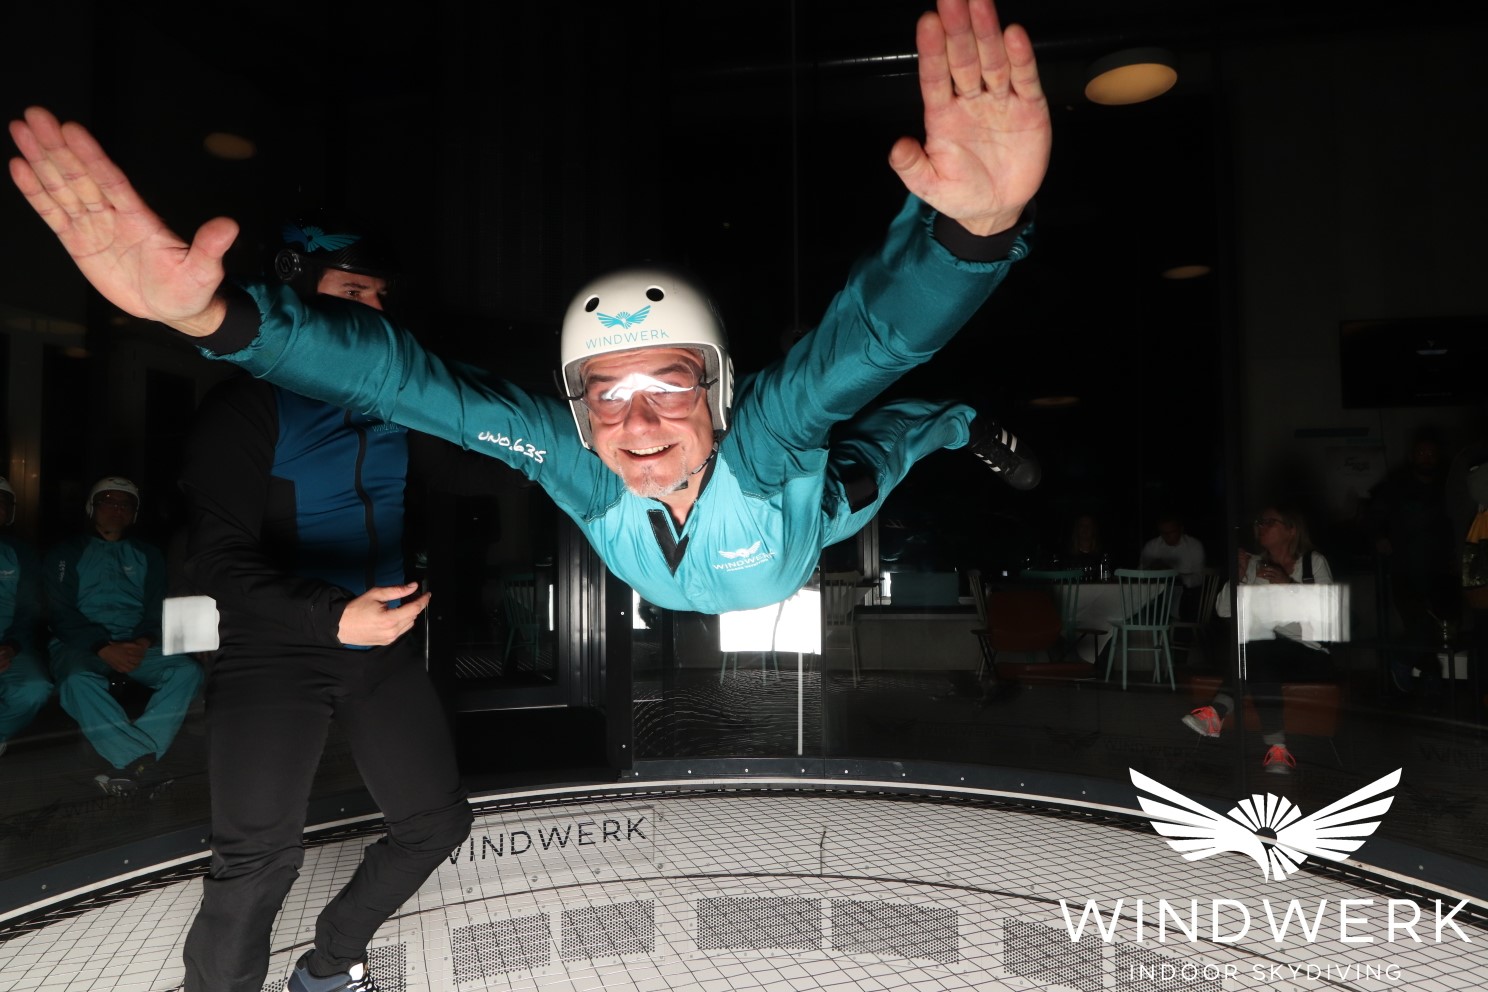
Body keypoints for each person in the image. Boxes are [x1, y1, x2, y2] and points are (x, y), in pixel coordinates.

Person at [7, 0, 1052, 618]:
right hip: (742, 564)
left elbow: (867, 345)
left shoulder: (767, 445)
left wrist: (970, 239)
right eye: (605, 394)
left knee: (889, 441)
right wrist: (216, 322)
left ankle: (961, 420)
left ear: (721, 391)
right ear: (576, 408)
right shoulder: (577, 459)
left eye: (668, 384)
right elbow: (406, 386)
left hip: (803, 520)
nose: (636, 423)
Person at [176, 219, 481, 992]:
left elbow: (476, 466)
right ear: (298, 293)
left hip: (377, 649)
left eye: (379, 295)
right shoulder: (246, 405)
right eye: (352, 290)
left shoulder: (397, 405)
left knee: (437, 823)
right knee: (256, 861)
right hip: (272, 649)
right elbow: (217, 559)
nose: (372, 310)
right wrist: (329, 614)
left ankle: (328, 966)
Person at [43, 476, 204, 793]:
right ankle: (139, 762)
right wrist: (101, 646)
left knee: (187, 671)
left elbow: (156, 607)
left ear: (134, 513)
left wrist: (144, 641)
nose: (116, 508)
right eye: (108, 501)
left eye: (125, 504)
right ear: (91, 507)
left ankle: (126, 763)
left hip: (136, 642)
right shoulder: (66, 552)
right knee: (76, 681)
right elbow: (59, 612)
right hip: (79, 644)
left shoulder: (147, 554)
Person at [1181, 505, 1335, 774]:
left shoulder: (1312, 562)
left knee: (1256, 648)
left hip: (1308, 652)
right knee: (1259, 653)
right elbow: (1224, 611)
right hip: (1263, 654)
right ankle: (1277, 749)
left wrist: (1288, 585)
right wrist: (1238, 576)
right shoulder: (1253, 565)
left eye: (1269, 522)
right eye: (1258, 522)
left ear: (1291, 530)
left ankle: (1218, 711)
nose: (1260, 527)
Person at [1367, 428, 1457, 696]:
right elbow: (1373, 517)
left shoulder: (1448, 487)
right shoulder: (1396, 487)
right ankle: (1406, 661)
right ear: (1412, 456)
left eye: (1431, 453)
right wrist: (1379, 538)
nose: (1426, 458)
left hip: (1441, 570)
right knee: (1419, 623)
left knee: (1440, 625)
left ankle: (1430, 677)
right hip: (1406, 569)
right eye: (1421, 453)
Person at [0, 476, 51, 759]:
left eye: (1, 502)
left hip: (10, 644)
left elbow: (30, 610)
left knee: (35, 687)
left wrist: (11, 646)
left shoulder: (22, 553)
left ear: (10, 511)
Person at [1139, 511, 1206, 618]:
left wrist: (1175, 575)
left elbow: (1199, 578)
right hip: (1155, 591)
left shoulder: (1194, 546)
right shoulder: (1152, 546)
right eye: (1163, 533)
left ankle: (1167, 618)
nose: (1167, 536)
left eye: (1171, 532)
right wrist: (1153, 569)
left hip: (1186, 594)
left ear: (1181, 529)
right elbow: (1140, 572)